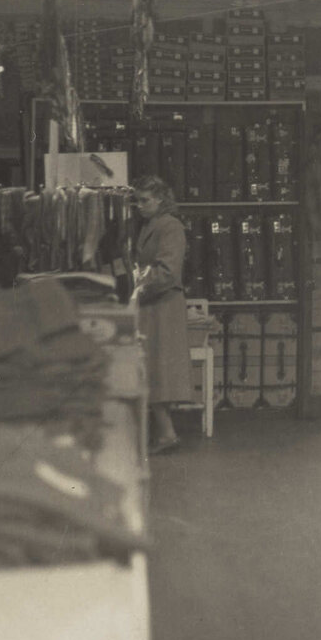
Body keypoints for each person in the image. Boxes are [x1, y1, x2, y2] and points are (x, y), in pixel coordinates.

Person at [132, 174, 193, 454]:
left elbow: (168, 272)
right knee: (153, 368)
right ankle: (164, 433)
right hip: (153, 304)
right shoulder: (152, 225)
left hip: (163, 305)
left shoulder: (170, 227)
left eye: (145, 200)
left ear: (160, 200)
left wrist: (136, 284)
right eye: (138, 200)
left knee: (157, 369)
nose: (139, 205)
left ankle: (167, 434)